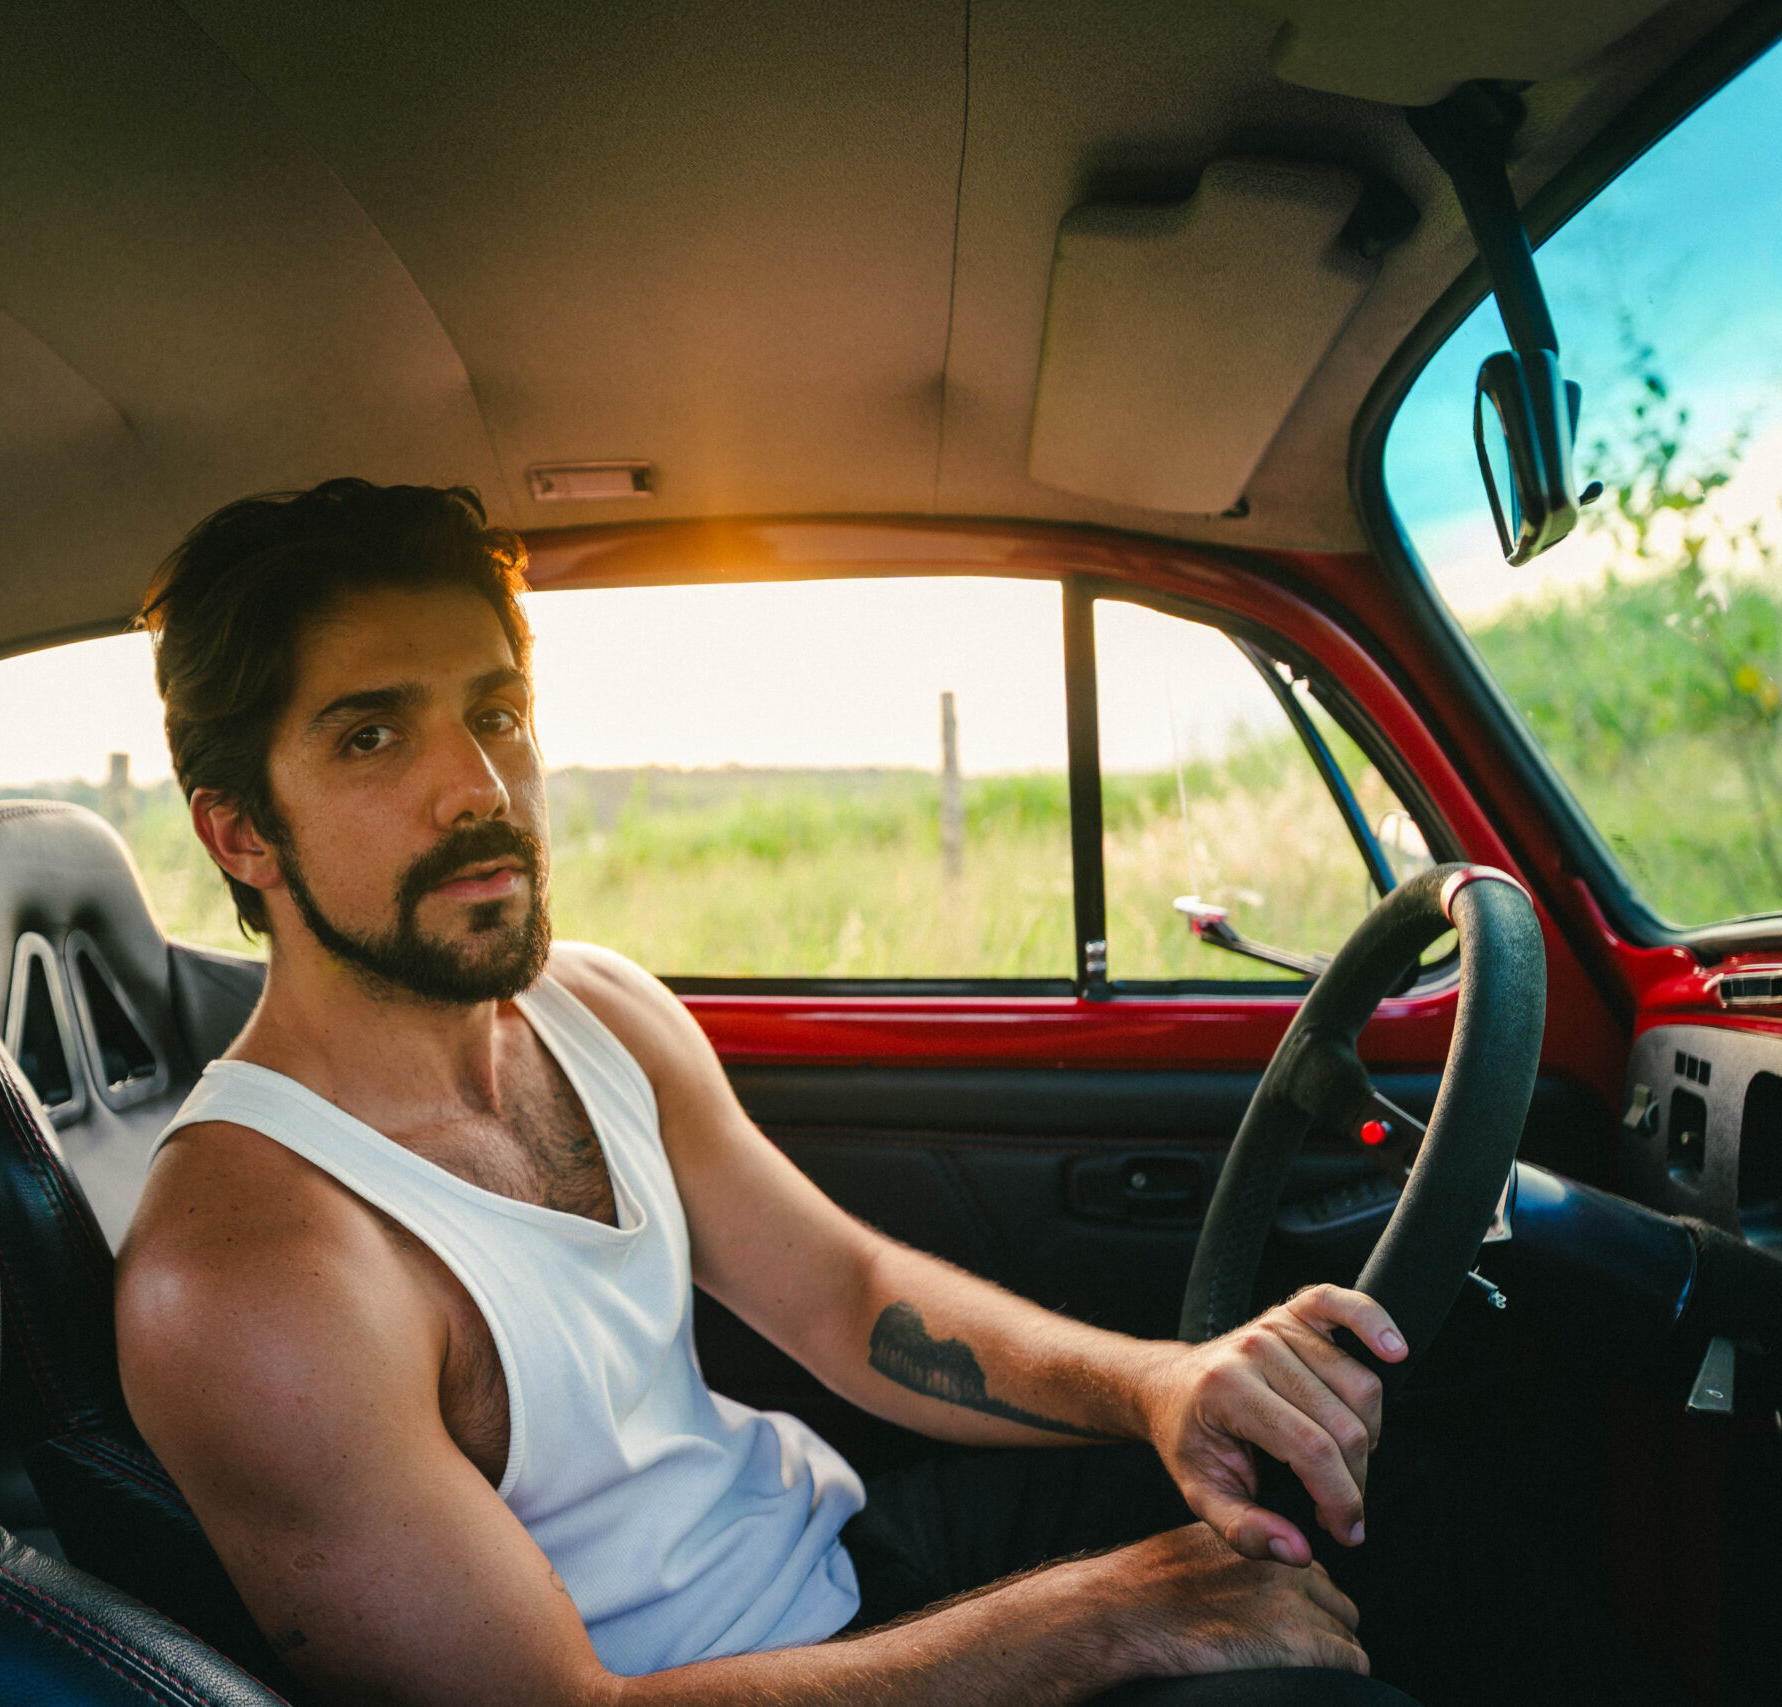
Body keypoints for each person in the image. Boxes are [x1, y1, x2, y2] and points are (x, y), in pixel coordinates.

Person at [115, 479, 1417, 1706]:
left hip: (851, 1558)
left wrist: (1163, 1388)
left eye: (497, 711)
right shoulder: (247, 1274)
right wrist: (1101, 1619)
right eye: (372, 735)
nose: (480, 787)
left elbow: (849, 1301)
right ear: (239, 831)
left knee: (1372, 1497)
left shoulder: (597, 1008)